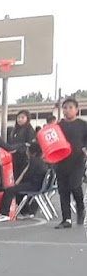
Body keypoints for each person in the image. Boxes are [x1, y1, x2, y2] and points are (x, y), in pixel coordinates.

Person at [54, 97, 87, 228]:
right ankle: (66, 219)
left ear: (77, 110)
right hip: (61, 162)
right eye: (65, 108)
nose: (67, 110)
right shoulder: (58, 126)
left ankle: (80, 209)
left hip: (77, 161)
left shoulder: (83, 125)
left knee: (75, 186)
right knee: (63, 190)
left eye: (70, 107)